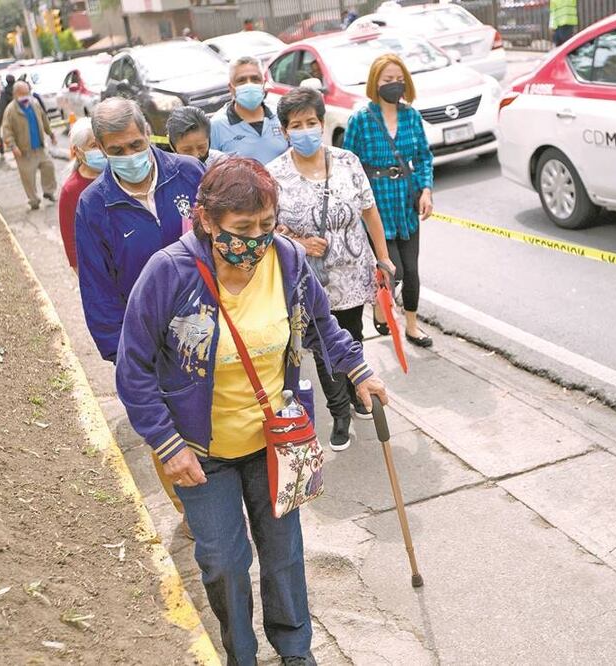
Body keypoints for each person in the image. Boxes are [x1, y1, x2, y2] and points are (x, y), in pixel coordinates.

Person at [115, 156, 387, 665]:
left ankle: (295, 650)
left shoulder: (285, 258)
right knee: (223, 562)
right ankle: (241, 653)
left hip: (274, 440)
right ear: (208, 221)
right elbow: (132, 370)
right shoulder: (169, 273)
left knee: (283, 554)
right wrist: (167, 444)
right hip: (202, 450)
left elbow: (322, 325)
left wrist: (358, 369)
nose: (256, 239)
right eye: (242, 229)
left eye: (266, 225)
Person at [75, 97, 206, 537]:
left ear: (148, 133)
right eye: (117, 151)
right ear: (101, 149)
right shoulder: (94, 206)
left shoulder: (188, 174)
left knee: (215, 413)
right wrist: (123, 355)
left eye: (135, 144)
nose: (129, 157)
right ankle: (189, 506)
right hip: (147, 338)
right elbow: (96, 286)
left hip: (209, 322)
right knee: (164, 424)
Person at [267, 87, 395, 451]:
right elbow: (267, 229)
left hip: (353, 272)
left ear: (322, 124)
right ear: (284, 130)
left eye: (311, 122)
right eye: (296, 124)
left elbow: (369, 210)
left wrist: (382, 258)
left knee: (352, 335)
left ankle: (357, 391)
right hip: (309, 280)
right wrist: (300, 244)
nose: (305, 129)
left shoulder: (348, 162)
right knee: (323, 344)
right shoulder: (273, 175)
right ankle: (339, 412)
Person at [343, 54, 434, 348]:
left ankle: (411, 325)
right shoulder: (361, 120)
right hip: (375, 203)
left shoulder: (411, 117)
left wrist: (426, 190)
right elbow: (349, 163)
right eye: (387, 80)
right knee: (392, 267)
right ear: (375, 83)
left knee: (412, 269)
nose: (394, 85)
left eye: (399, 80)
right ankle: (381, 308)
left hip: (404, 200)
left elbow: (423, 157)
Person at [209, 56, 288, 164]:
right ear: (231, 88)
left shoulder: (280, 116)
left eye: (255, 79)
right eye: (241, 80)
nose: (249, 84)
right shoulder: (216, 126)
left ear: (263, 83)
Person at [1, 81, 58, 210]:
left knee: (48, 167)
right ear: (15, 94)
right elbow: (6, 131)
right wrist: (13, 146)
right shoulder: (11, 110)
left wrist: (51, 134)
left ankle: (49, 192)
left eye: (27, 93)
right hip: (24, 151)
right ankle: (33, 200)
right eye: (22, 94)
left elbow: (44, 120)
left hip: (40, 147)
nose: (26, 96)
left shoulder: (35, 104)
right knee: (28, 178)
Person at [58, 118, 104, 271]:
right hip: (97, 269)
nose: (101, 151)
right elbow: (71, 241)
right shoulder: (71, 191)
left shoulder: (118, 175)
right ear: (77, 151)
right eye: (93, 146)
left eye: (102, 144)